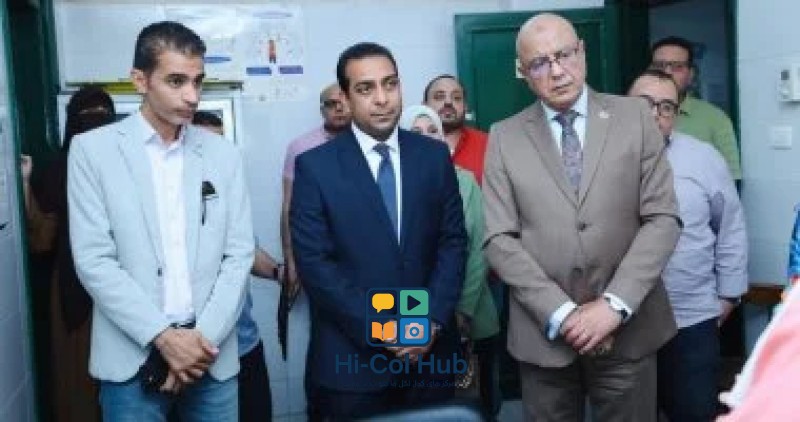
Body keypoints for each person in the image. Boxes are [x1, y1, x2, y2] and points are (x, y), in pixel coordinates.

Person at [482, 14, 681, 421]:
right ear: (523, 72)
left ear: (583, 52)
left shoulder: (635, 117)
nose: (557, 72)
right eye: (540, 63)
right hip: (545, 338)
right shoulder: (504, 136)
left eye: (565, 54)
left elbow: (662, 218)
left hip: (628, 332)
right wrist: (562, 313)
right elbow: (498, 239)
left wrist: (614, 305)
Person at [68, 21, 254, 420]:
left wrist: (197, 344)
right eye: (176, 81)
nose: (192, 96)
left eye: (197, 81)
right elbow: (94, 260)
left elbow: (239, 255)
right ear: (140, 80)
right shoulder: (92, 152)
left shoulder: (223, 155)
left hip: (210, 356)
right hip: (130, 360)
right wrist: (164, 338)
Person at [290, 42, 467, 420]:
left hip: (429, 360)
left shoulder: (433, 157)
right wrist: (386, 328)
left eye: (390, 84)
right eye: (366, 88)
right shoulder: (315, 168)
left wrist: (429, 322)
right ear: (345, 98)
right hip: (352, 363)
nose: (382, 99)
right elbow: (316, 265)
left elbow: (452, 243)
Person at [629, 69, 748, 422]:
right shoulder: (594, 158)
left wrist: (728, 295)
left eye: (666, 107)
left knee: (694, 411)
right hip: (622, 322)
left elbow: (730, 228)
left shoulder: (704, 158)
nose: (655, 114)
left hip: (691, 316)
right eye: (644, 104)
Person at [398, 104, 499, 418]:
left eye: (433, 131)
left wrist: (461, 310)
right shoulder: (392, 183)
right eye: (416, 132)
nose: (427, 138)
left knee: (474, 402)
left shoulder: (465, 181)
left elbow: (478, 248)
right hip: (410, 317)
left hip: (469, 309)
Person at [192, 110, 279, 422]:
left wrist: (280, 273)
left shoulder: (227, 195)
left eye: (221, 144)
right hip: (192, 350)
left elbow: (246, 252)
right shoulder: (169, 205)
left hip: (243, 342)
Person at [280, 83, 351, 304]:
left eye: (345, 102)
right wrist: (291, 261)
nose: (339, 108)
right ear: (322, 110)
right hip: (319, 255)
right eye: (331, 104)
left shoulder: (369, 144)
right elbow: (288, 208)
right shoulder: (301, 147)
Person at [651, 36, 742, 181]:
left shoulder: (715, 119)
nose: (667, 73)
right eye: (659, 66)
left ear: (691, 74)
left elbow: (731, 180)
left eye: (677, 67)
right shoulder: (633, 115)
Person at [423, 75, 488, 184]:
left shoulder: (488, 145)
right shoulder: (412, 147)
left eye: (456, 98)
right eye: (439, 97)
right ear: (424, 106)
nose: (448, 102)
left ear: (465, 106)